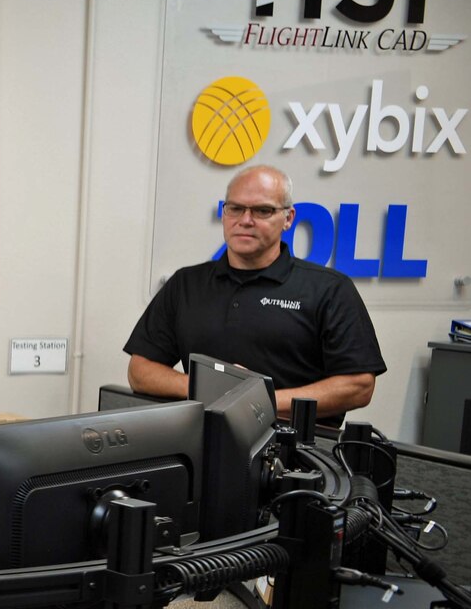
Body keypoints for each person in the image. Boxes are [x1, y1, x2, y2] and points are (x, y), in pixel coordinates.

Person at [124, 164, 385, 425]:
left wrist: (259, 402)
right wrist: (206, 388)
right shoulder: (186, 284)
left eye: (263, 210)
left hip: (295, 457)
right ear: (224, 213)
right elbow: (140, 371)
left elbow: (359, 386)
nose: (246, 220)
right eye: (235, 208)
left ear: (288, 218)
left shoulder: (330, 289)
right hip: (200, 446)